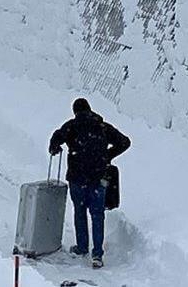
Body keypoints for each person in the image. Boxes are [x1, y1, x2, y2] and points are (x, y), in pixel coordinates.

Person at [49, 98, 131, 269]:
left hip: (77, 178)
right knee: (97, 215)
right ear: (90, 110)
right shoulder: (102, 126)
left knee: (79, 211)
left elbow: (57, 136)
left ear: (75, 112)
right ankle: (97, 254)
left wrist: (54, 147)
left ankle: (82, 247)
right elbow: (125, 142)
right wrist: (106, 155)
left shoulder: (72, 126)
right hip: (97, 178)